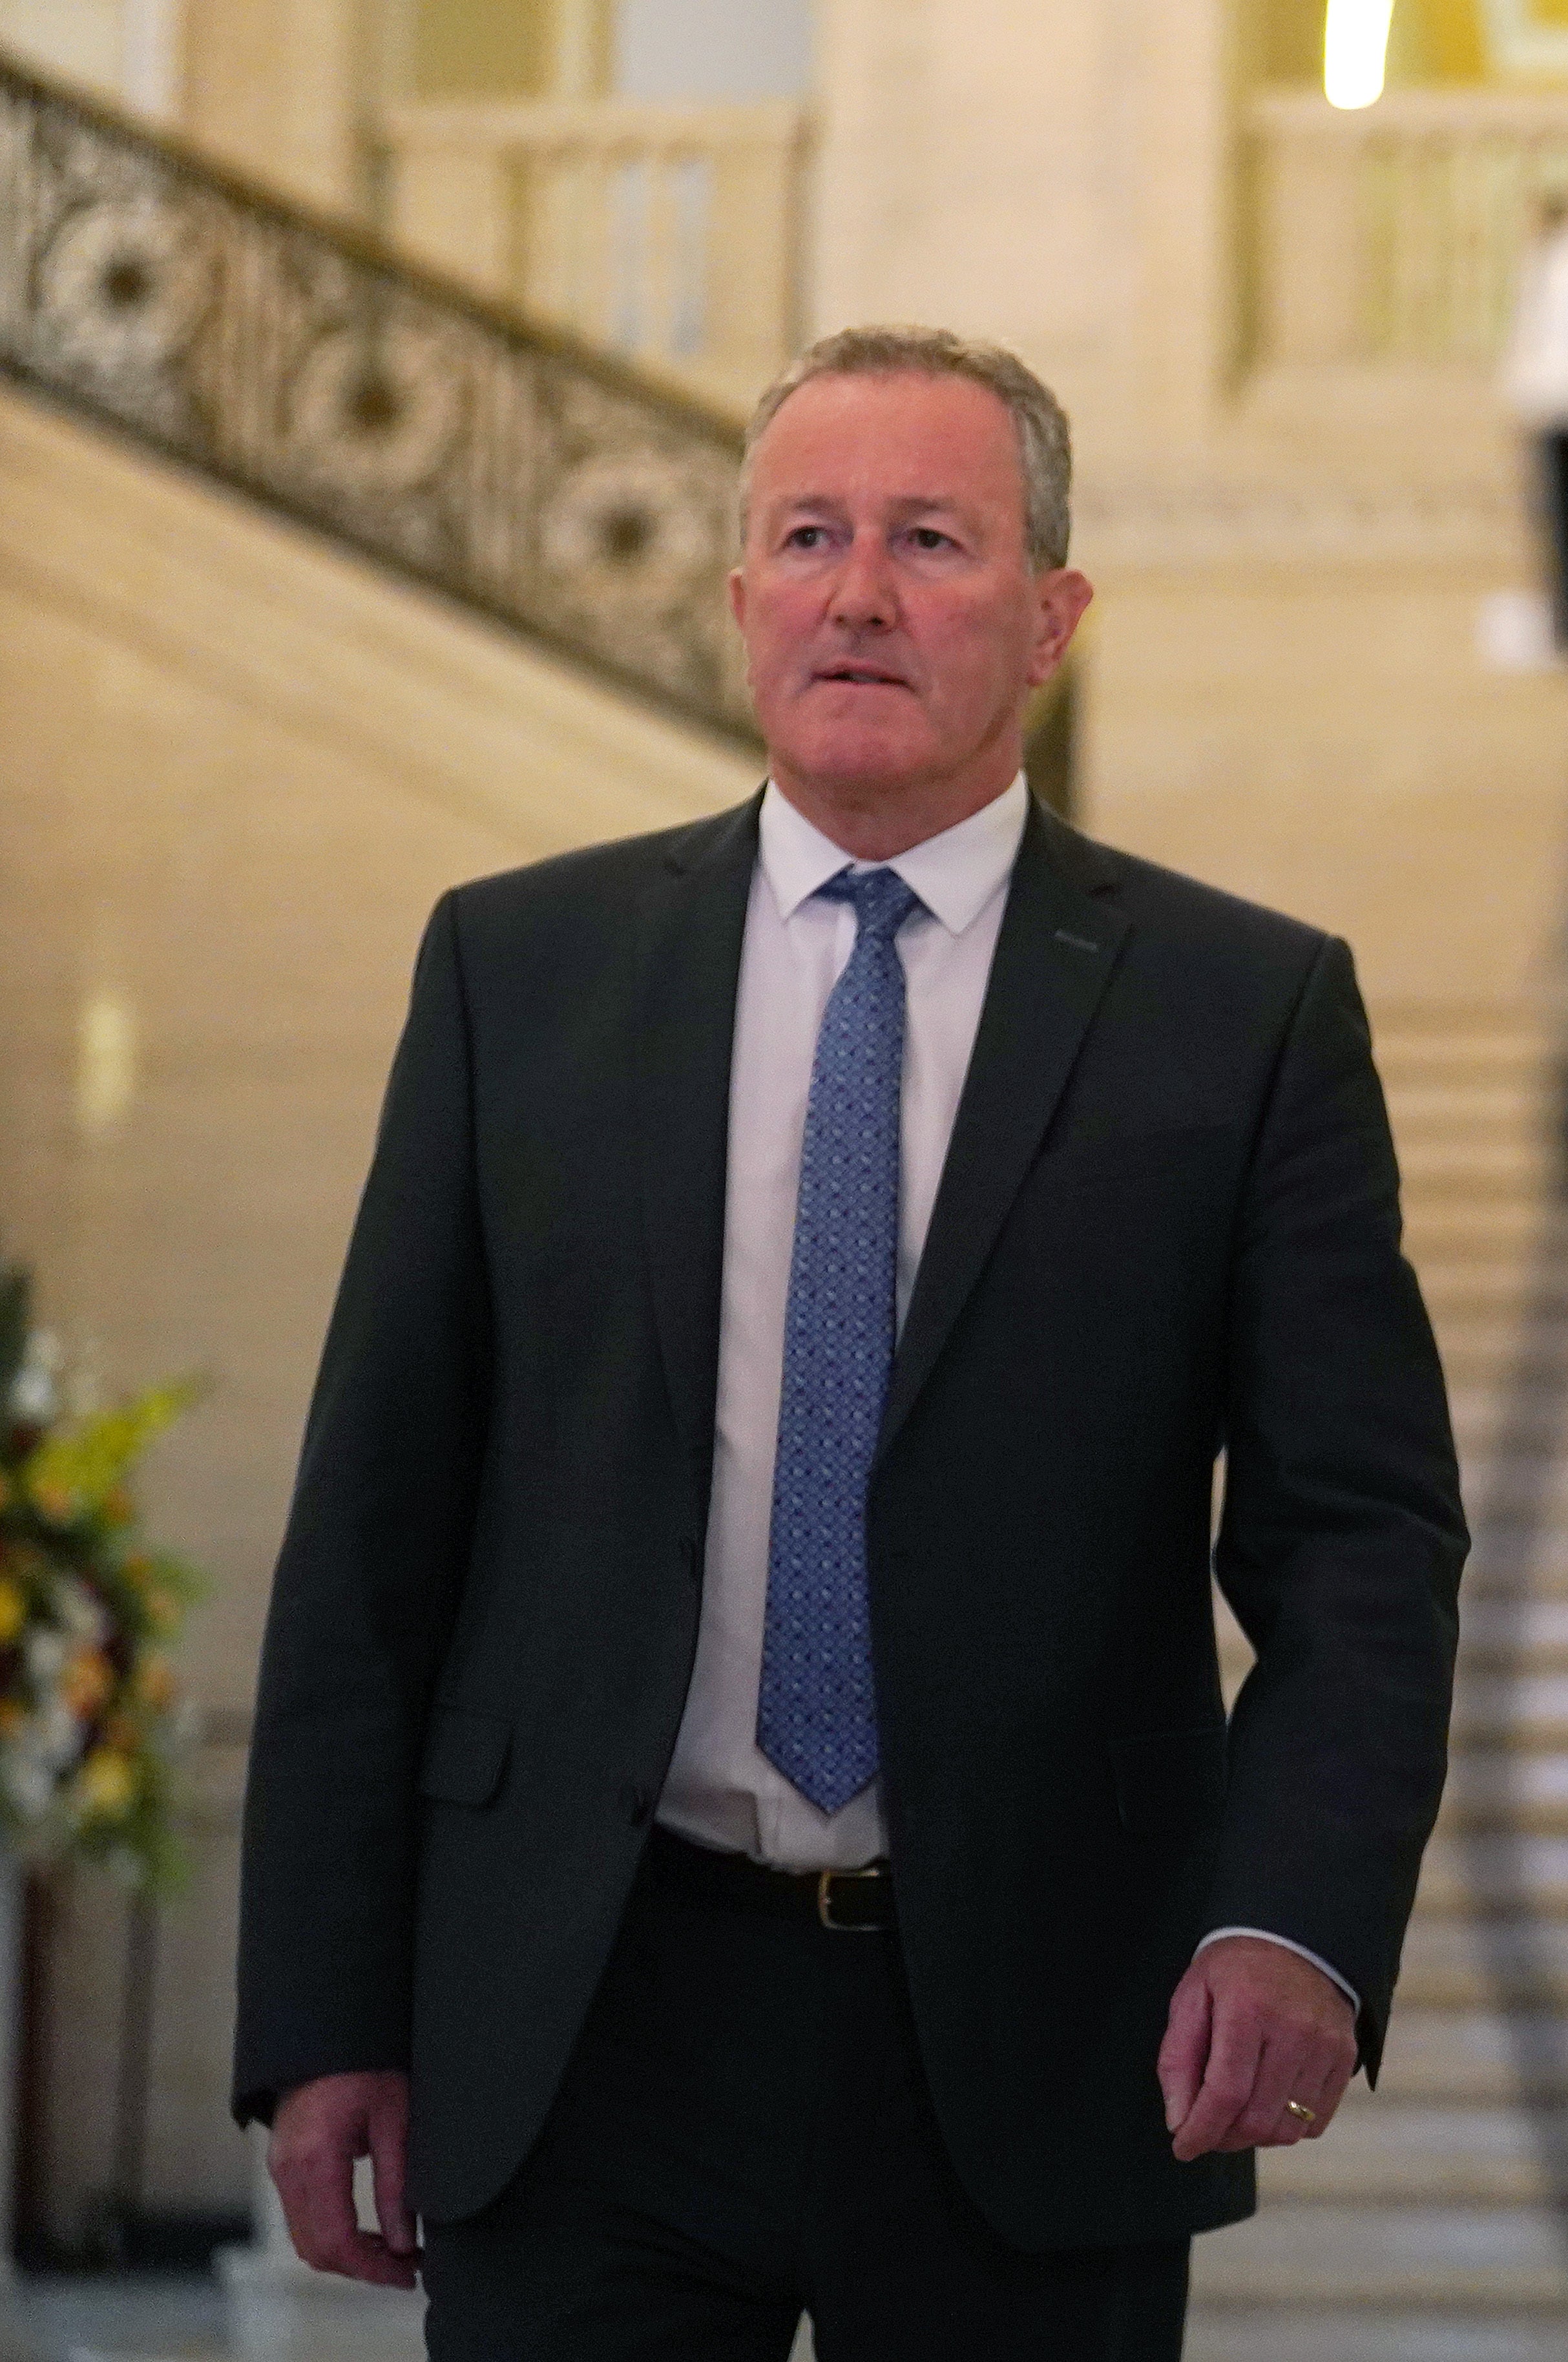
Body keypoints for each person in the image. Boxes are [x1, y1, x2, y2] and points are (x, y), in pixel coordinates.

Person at [230, 325, 1467, 2359]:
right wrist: (323, 2015)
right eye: (807, 536)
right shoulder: (513, 975)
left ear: (1053, 616)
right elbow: (372, 1535)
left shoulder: (1238, 1017)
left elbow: (1359, 1545)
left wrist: (1293, 1917)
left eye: (932, 540)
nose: (860, 591)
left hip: (1031, 2033)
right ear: (739, 603)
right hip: (583, 2014)